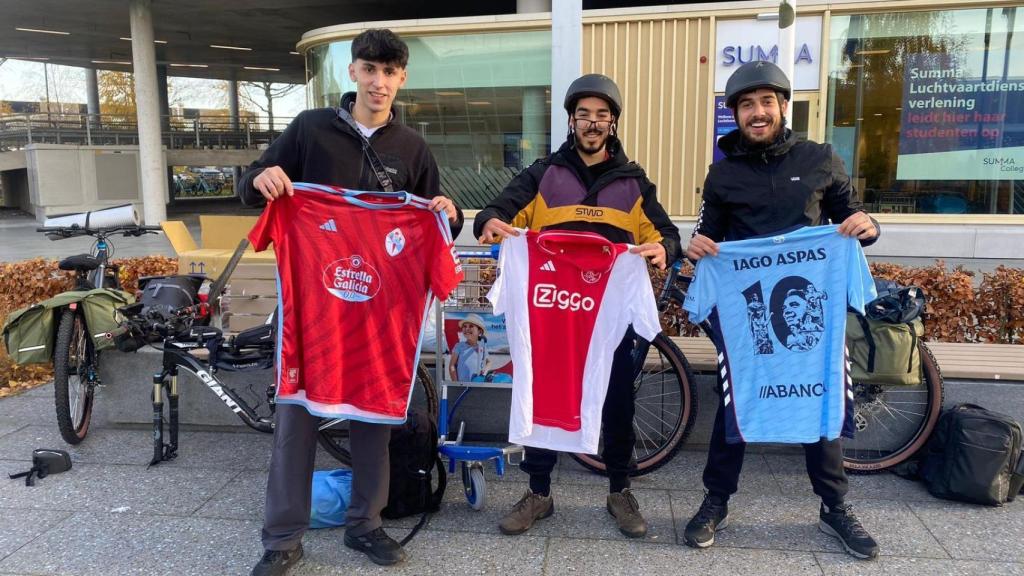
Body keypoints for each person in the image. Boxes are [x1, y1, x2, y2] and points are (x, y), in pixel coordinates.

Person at [238, 29, 463, 575]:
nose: (378, 81)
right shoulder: (310, 129)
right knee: (296, 422)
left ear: (401, 78)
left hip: (379, 317)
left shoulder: (412, 149)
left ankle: (366, 525)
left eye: (389, 72)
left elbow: (439, 228)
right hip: (312, 312)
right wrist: (260, 177)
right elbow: (253, 190)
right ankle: (282, 537)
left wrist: (447, 214)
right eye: (369, 69)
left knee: (375, 421)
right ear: (352, 73)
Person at [683, 60, 881, 560]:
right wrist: (702, 246)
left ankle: (834, 507)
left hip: (811, 307)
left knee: (821, 400)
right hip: (749, 313)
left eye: (766, 102)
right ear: (734, 114)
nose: (757, 112)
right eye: (746, 104)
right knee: (738, 401)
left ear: (784, 107)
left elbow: (851, 216)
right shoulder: (722, 174)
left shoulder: (820, 159)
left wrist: (867, 226)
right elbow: (710, 233)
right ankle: (716, 501)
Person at [475, 73, 682, 539]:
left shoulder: (633, 182)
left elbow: (665, 234)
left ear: (613, 123)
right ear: (571, 120)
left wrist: (663, 248)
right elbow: (500, 209)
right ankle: (539, 492)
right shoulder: (544, 174)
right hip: (554, 310)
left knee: (617, 403)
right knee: (544, 392)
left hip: (608, 311)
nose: (592, 123)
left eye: (601, 116)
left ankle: (619, 491)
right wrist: (489, 221)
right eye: (584, 114)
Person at [450, 313, 489, 381]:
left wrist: (484, 373)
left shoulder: (482, 347)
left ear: (479, 331)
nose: (467, 329)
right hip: (462, 385)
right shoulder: (459, 346)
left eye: (471, 326)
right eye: (464, 326)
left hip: (476, 385)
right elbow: (452, 365)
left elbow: (489, 362)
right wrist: (455, 383)